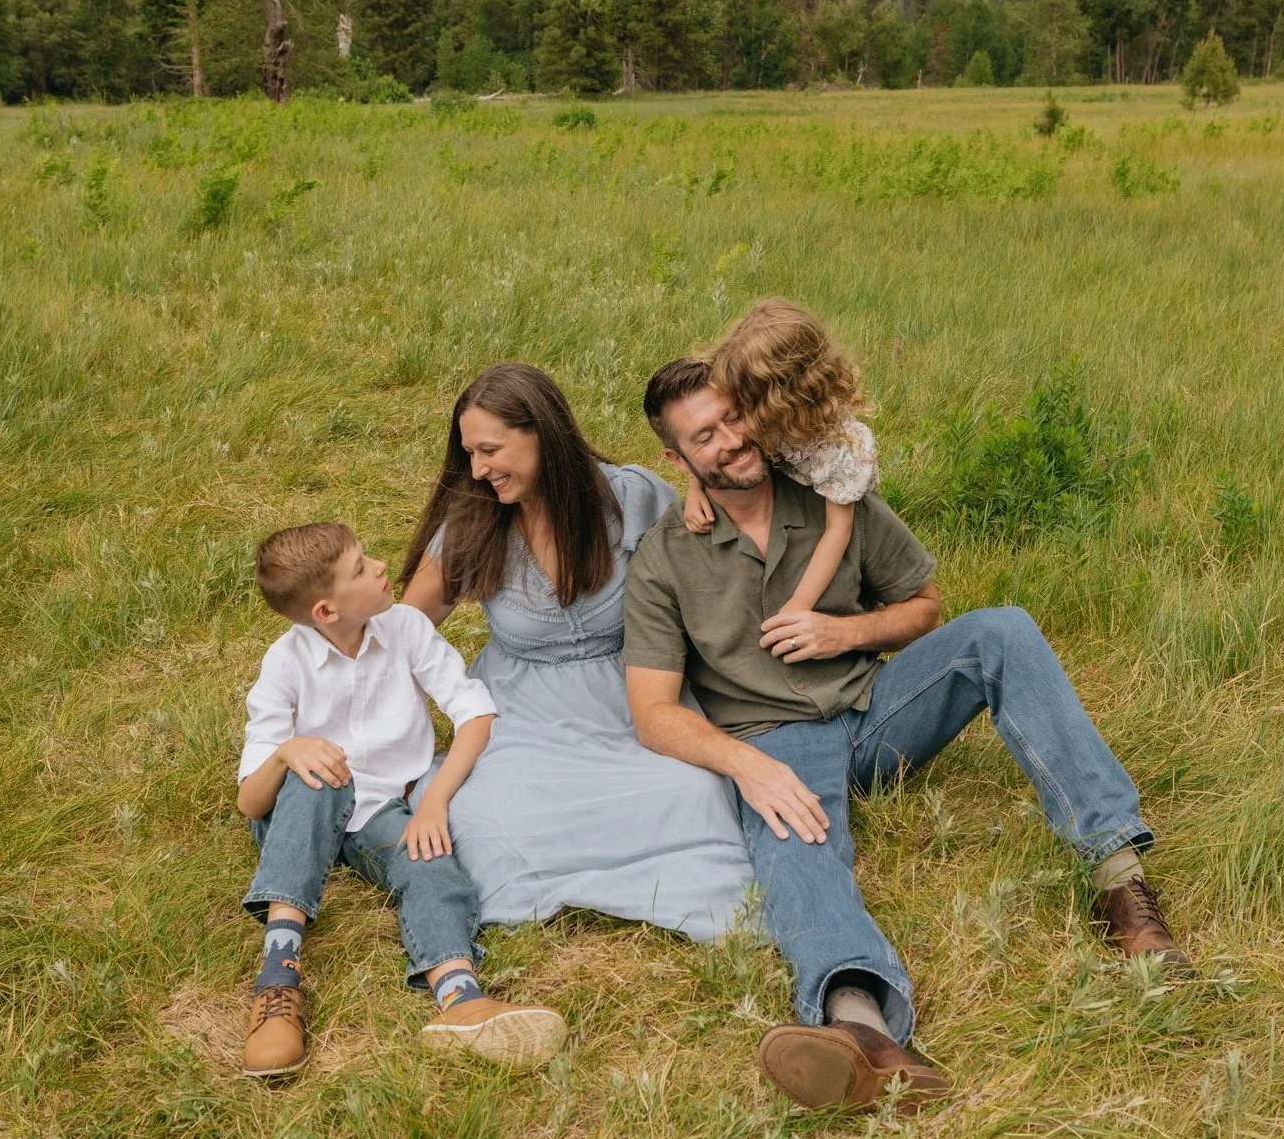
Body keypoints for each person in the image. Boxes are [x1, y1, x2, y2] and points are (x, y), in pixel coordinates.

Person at [623, 356, 1191, 1114]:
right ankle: (862, 1033)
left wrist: (842, 632)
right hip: (775, 742)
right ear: (678, 459)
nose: (728, 440)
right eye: (704, 435)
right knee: (799, 852)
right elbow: (653, 711)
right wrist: (744, 766)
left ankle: (1120, 881)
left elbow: (924, 606)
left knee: (1002, 632)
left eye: (734, 418)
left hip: (874, 704)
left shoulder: (830, 492)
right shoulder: (665, 557)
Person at [400, 363, 754, 940]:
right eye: (469, 453)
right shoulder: (473, 521)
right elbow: (404, 635)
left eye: (490, 449)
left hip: (632, 698)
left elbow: (722, 548)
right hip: (520, 716)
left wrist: (698, 481)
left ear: (542, 433)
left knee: (695, 791)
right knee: (485, 819)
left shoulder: (631, 497)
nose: (478, 469)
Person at [234, 520, 567, 1077]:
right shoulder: (285, 663)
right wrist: (288, 751)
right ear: (325, 611)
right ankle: (278, 978)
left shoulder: (406, 628)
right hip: (297, 811)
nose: (382, 567)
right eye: (362, 569)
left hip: (381, 813)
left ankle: (460, 999)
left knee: (429, 857)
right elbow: (251, 802)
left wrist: (433, 801)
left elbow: (475, 713)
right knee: (322, 773)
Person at [682, 300, 880, 632]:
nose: (739, 421)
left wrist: (799, 604)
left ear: (781, 398)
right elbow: (722, 456)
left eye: (747, 400)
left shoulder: (840, 452)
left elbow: (837, 533)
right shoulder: (762, 412)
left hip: (827, 516)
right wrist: (696, 487)